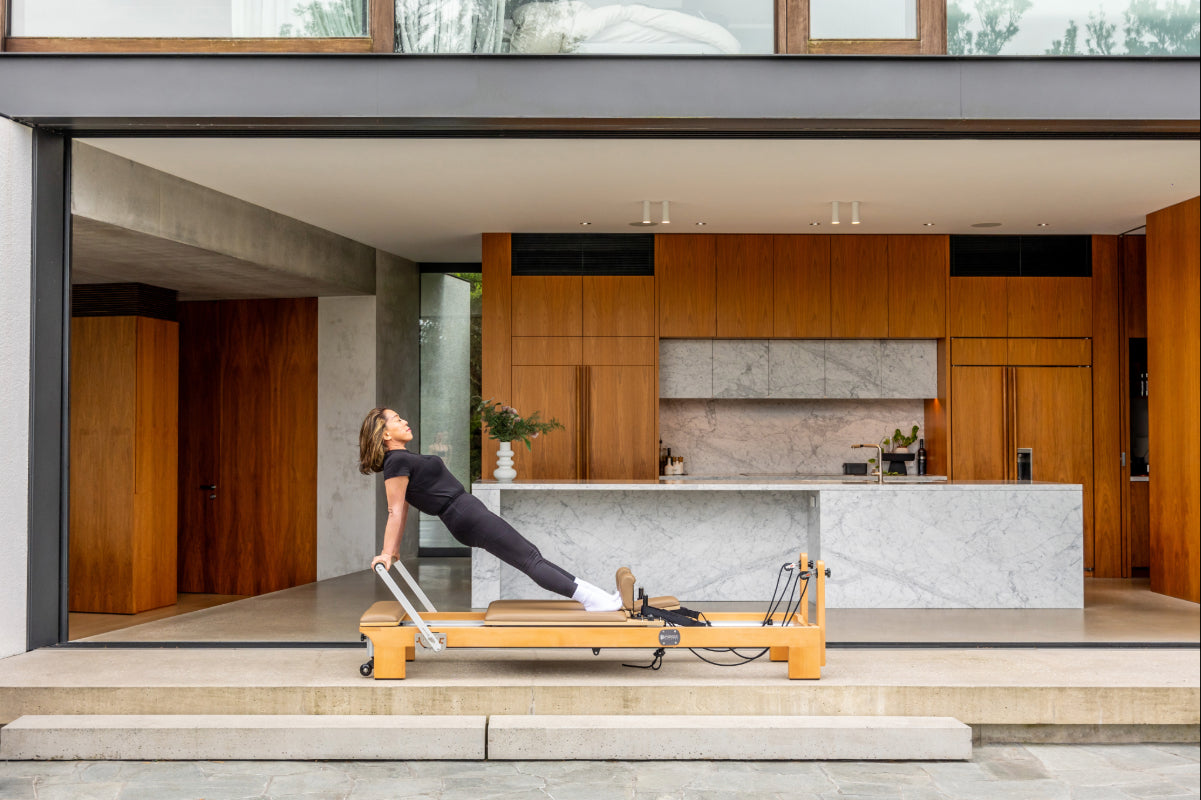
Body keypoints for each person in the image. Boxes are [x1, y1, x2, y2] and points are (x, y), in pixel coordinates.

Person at [359, 407, 622, 612]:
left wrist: (393, 551)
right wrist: (385, 553)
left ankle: (599, 597)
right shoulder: (396, 462)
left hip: (466, 511)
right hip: (463, 514)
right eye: (396, 419)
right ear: (384, 433)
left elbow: (404, 508)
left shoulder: (404, 458)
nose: (404, 421)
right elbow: (395, 510)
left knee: (531, 555)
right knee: (530, 559)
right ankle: (595, 601)